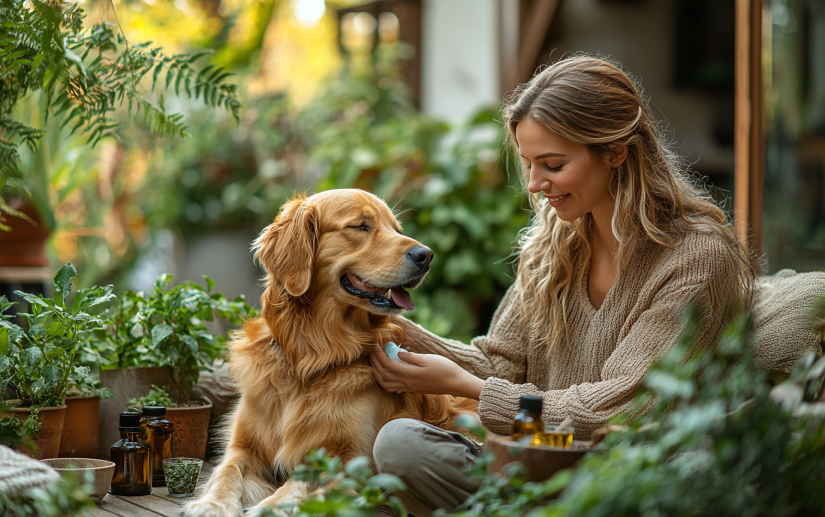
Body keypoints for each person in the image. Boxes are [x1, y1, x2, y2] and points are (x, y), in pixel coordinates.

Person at [368, 54, 755, 517]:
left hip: (631, 476)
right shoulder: (551, 247)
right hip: (535, 458)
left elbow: (623, 408)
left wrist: (469, 386)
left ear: (615, 152)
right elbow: (501, 363)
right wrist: (387, 323)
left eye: (552, 164)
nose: (534, 184)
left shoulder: (697, 259)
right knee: (398, 443)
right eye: (530, 164)